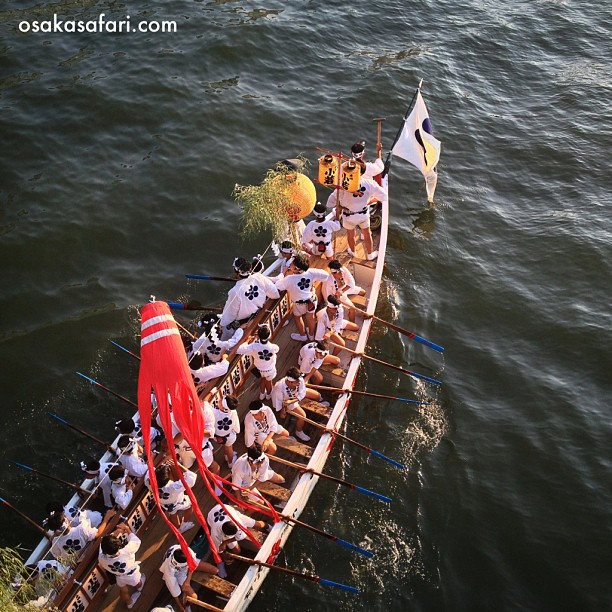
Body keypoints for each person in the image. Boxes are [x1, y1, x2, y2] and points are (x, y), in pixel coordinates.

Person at [326, 168, 386, 260]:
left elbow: (329, 203)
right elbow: (384, 196)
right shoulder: (370, 183)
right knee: (367, 234)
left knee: (351, 235)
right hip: (363, 215)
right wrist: (369, 202)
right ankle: (370, 255)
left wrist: (340, 206)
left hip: (348, 216)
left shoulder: (343, 187)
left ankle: (353, 252)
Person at [275, 253, 330, 341]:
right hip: (312, 300)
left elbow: (277, 286)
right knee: (310, 317)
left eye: (292, 263)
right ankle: (311, 335)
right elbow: (326, 275)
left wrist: (284, 273)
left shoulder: (289, 279)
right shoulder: (311, 272)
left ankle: (303, 336)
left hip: (299, 304)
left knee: (297, 317)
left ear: (296, 268)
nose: (290, 264)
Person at [219, 257, 279, 337]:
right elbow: (274, 294)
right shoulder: (258, 276)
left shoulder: (234, 291)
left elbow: (230, 315)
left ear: (237, 273)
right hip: (262, 310)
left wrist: (222, 323)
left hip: (246, 321)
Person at [206, 502, 267, 577]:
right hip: (211, 516)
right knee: (237, 551)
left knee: (257, 525)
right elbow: (217, 548)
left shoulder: (237, 522)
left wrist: (225, 543)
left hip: (228, 510)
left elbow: (241, 536)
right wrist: (222, 551)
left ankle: (268, 526)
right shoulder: (215, 532)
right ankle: (221, 563)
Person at [271, 367, 326, 442]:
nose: (299, 382)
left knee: (317, 395)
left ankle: (317, 408)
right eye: (297, 382)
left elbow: (302, 393)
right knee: (303, 416)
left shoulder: (299, 379)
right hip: (287, 401)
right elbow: (279, 402)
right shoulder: (279, 388)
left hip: (293, 398)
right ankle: (299, 431)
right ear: (291, 382)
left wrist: (294, 400)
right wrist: (283, 410)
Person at [98, 521, 145, 609]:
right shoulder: (126, 551)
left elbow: (102, 545)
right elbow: (136, 541)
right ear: (118, 544)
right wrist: (127, 529)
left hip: (119, 577)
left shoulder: (102, 559)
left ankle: (129, 603)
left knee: (123, 590)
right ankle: (140, 587)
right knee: (138, 582)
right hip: (131, 574)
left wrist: (114, 533)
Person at [159, 544, 218, 612]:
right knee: (194, 597)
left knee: (214, 570)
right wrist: (180, 606)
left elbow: (192, 565)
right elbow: (173, 590)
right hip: (178, 573)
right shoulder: (169, 570)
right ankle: (187, 605)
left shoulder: (186, 551)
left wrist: (188, 581)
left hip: (185, 568)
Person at [46, 506, 115, 562]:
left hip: (82, 565)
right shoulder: (81, 528)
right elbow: (98, 533)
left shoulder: (55, 542)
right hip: (96, 555)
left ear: (54, 530)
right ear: (66, 518)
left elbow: (58, 557)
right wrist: (107, 517)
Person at [236, 324, 279, 400]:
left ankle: (262, 395)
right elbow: (276, 350)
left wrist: (247, 341)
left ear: (258, 335)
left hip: (260, 369)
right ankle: (268, 395)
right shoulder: (274, 347)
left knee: (263, 379)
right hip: (270, 369)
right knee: (269, 381)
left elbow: (239, 349)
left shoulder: (254, 346)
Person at [154, 462, 197, 534]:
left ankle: (178, 528)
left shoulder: (151, 483)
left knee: (172, 514)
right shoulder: (172, 487)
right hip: (177, 501)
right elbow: (191, 479)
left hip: (164, 503)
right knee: (190, 505)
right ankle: (184, 523)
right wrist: (179, 465)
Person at [213, 394, 240, 467]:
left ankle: (227, 457)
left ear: (222, 406)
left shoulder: (214, 412)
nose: (219, 400)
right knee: (229, 447)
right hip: (229, 436)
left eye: (221, 401)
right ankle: (230, 462)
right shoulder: (233, 412)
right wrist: (236, 431)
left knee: (225, 446)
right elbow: (237, 428)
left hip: (217, 436)